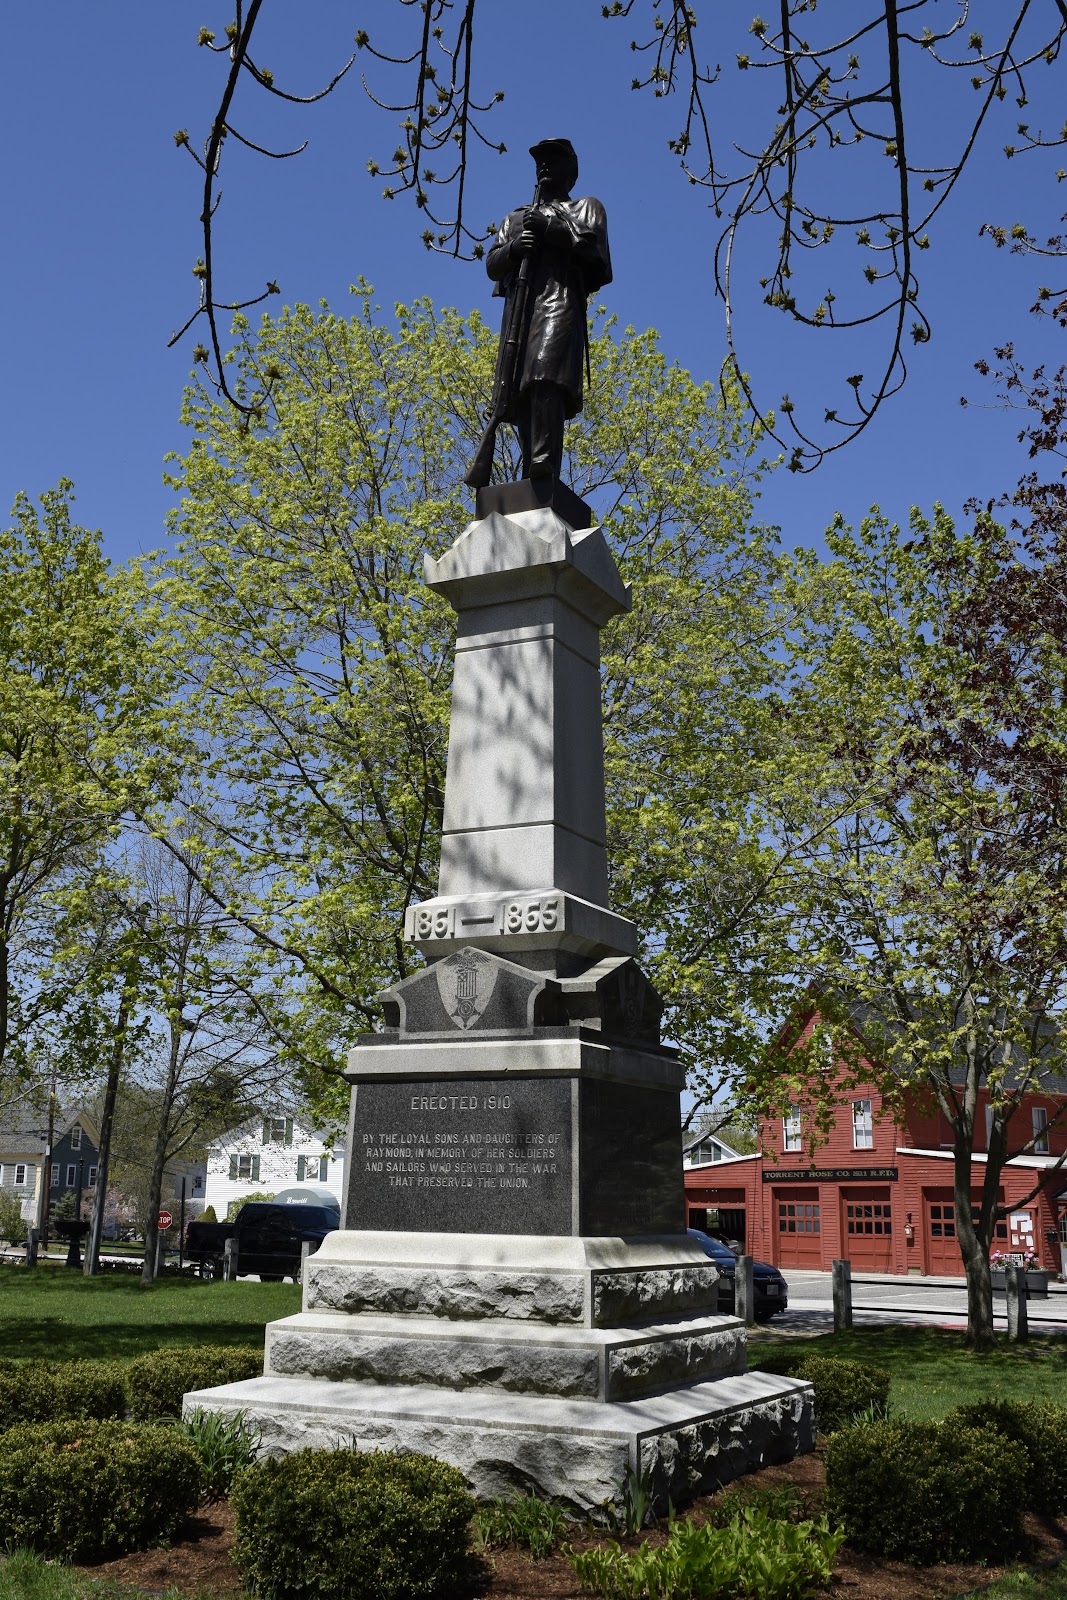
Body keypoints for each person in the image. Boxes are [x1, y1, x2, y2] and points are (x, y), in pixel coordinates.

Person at [470, 138, 612, 485]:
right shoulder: (516, 218)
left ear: (571, 172)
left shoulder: (585, 208)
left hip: (559, 304)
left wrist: (549, 228)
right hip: (520, 313)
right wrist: (516, 247)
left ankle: (543, 463)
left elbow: (596, 254)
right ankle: (531, 471)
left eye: (555, 158)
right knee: (520, 390)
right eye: (540, 160)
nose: (545, 164)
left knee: (545, 375)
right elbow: (492, 264)